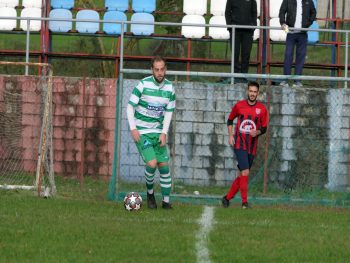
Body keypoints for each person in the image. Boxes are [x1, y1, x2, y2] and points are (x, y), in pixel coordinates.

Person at [127, 56, 176, 209]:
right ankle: (150, 194)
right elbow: (130, 107)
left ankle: (166, 203)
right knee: (152, 163)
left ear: (165, 69)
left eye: (162, 69)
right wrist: (133, 128)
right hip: (143, 132)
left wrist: (164, 133)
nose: (160, 72)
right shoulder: (143, 84)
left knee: (164, 167)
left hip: (158, 132)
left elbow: (168, 112)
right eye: (157, 69)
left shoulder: (170, 88)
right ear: (152, 70)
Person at [222, 81, 268, 209]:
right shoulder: (239, 106)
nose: (252, 94)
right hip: (240, 144)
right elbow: (230, 120)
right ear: (247, 91)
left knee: (242, 175)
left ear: (258, 93)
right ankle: (244, 203)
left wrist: (257, 132)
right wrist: (231, 135)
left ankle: (226, 198)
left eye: (255, 92)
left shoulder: (262, 109)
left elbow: (264, 128)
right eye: (251, 91)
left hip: (252, 147)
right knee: (246, 172)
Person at [279, 0, 317, 88]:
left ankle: (297, 81)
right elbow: (282, 11)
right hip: (290, 33)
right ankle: (285, 80)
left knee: (301, 57)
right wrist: (283, 23)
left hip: (303, 34)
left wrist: (308, 23)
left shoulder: (308, 1)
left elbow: (313, 12)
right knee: (288, 55)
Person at [225, 0, 257, 75]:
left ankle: (244, 75)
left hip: (248, 31)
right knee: (235, 54)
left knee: (246, 54)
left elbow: (254, 12)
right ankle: (235, 75)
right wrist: (230, 26)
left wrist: (253, 26)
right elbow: (227, 12)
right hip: (234, 30)